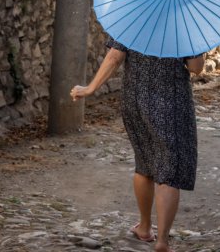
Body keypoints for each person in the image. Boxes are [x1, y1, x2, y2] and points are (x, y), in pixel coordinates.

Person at [71, 38, 205, 252]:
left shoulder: (134, 15)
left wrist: (90, 88)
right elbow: (196, 68)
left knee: (144, 163)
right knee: (169, 170)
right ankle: (162, 241)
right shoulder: (184, 26)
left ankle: (144, 227)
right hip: (171, 102)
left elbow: (115, 57)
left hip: (135, 100)